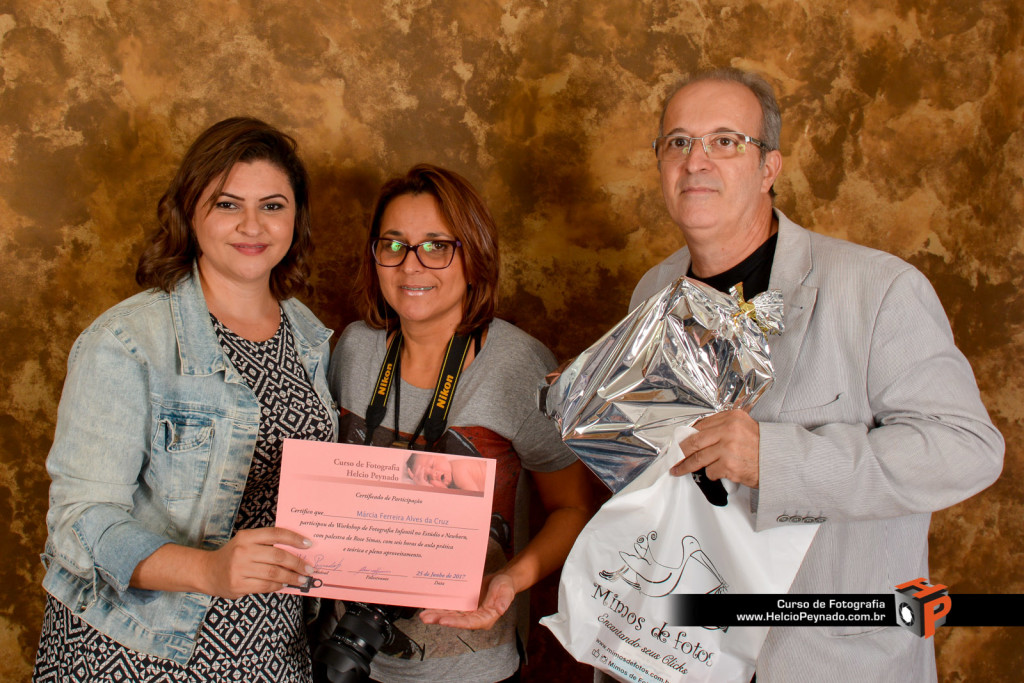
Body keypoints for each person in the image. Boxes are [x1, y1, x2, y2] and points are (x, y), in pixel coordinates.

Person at [626, 68, 1004, 681]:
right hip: (685, 650)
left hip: (828, 659)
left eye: (725, 141)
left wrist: (776, 460)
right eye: (678, 142)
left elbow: (966, 450)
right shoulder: (652, 292)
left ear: (769, 167)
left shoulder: (880, 289)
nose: (696, 161)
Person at [33, 117, 337, 682]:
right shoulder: (127, 340)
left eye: (272, 205)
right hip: (138, 655)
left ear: (296, 217)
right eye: (227, 204)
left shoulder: (310, 336)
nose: (253, 225)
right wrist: (208, 571)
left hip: (272, 653)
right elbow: (81, 522)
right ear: (189, 212)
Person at [326, 164, 593, 682]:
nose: (411, 266)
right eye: (394, 244)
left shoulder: (520, 366)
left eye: (436, 245)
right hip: (347, 650)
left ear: (474, 257)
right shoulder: (353, 350)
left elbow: (573, 507)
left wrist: (510, 581)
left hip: (468, 665)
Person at [406, 452, 486, 492]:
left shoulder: (459, 471)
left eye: (432, 465)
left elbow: (472, 502)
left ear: (441, 455)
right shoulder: (451, 483)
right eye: (427, 478)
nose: (433, 474)